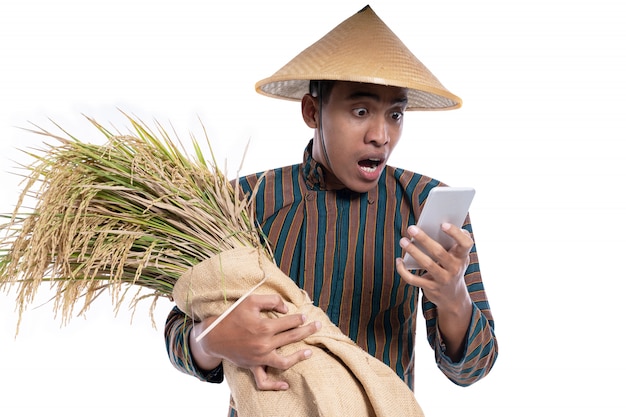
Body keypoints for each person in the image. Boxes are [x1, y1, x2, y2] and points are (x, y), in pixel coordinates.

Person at [164, 5, 498, 415]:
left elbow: (472, 369)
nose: (381, 136)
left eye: (395, 114)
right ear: (311, 111)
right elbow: (178, 332)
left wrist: (453, 296)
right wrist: (210, 340)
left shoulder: (426, 204)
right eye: (360, 111)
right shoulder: (242, 203)